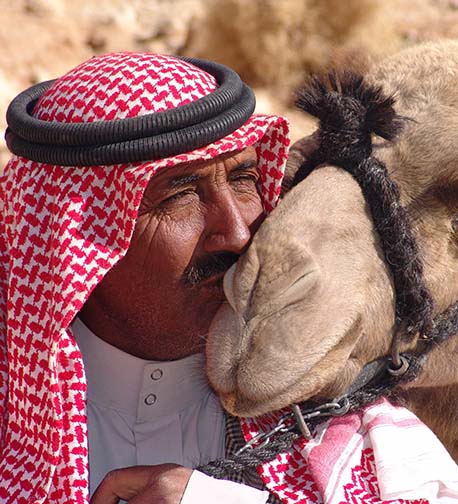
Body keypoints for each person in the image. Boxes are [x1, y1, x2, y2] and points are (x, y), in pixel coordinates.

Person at [0, 51, 289, 503]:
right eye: (180, 194)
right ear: (78, 231)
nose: (236, 234)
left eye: (243, 178)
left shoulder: (334, 411)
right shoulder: (15, 417)